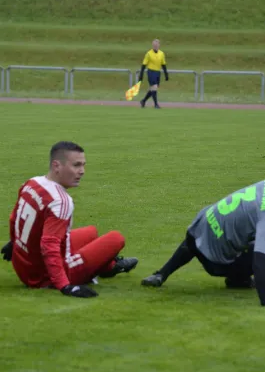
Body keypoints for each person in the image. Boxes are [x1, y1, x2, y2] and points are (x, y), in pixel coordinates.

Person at [1, 141, 138, 298]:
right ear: (57, 165)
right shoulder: (61, 201)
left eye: (83, 165)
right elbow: (49, 245)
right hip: (42, 276)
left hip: (22, 264)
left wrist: (15, 242)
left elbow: (15, 218)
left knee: (91, 232)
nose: (82, 171)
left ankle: (108, 267)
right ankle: (106, 267)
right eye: (76, 165)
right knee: (115, 238)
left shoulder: (32, 183)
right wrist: (65, 286)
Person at [141, 180, 265, 306]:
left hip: (195, 233)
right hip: (215, 263)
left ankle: (161, 275)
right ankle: (238, 279)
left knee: (212, 230)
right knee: (259, 244)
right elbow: (260, 260)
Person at [139, 39, 168, 109]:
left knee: (153, 89)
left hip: (158, 72)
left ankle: (143, 100)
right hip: (151, 72)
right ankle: (156, 104)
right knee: (154, 87)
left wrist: (166, 74)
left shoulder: (161, 53)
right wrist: (141, 74)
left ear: (159, 45)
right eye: (154, 45)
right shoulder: (148, 53)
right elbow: (144, 65)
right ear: (152, 45)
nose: (155, 46)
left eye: (157, 45)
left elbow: (163, 64)